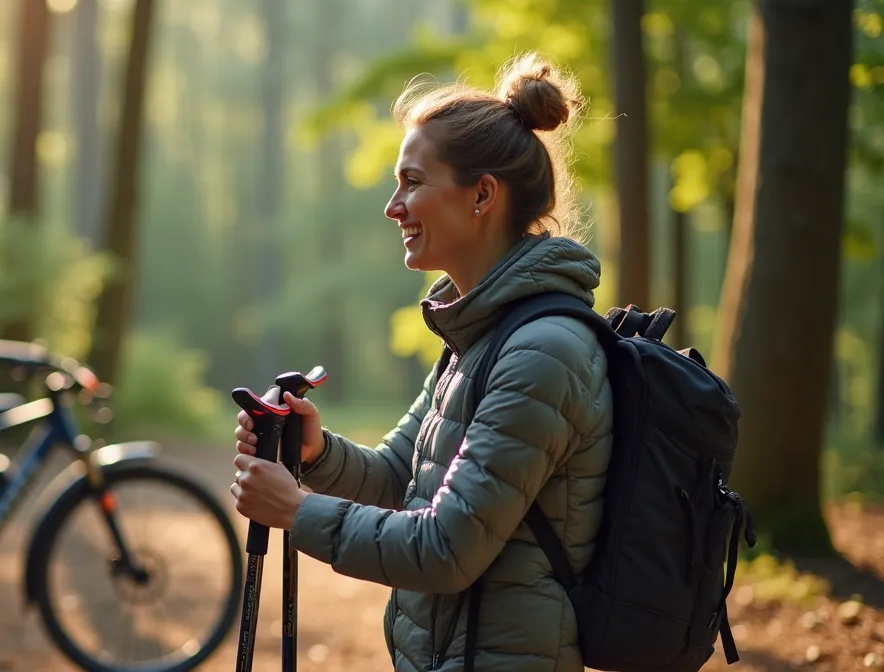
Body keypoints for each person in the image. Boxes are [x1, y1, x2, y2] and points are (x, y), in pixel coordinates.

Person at [229, 52, 614, 672]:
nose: (393, 206)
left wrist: (295, 511)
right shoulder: (478, 336)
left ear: (483, 195)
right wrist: (315, 453)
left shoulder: (543, 353)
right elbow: (397, 477)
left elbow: (444, 549)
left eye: (412, 182)